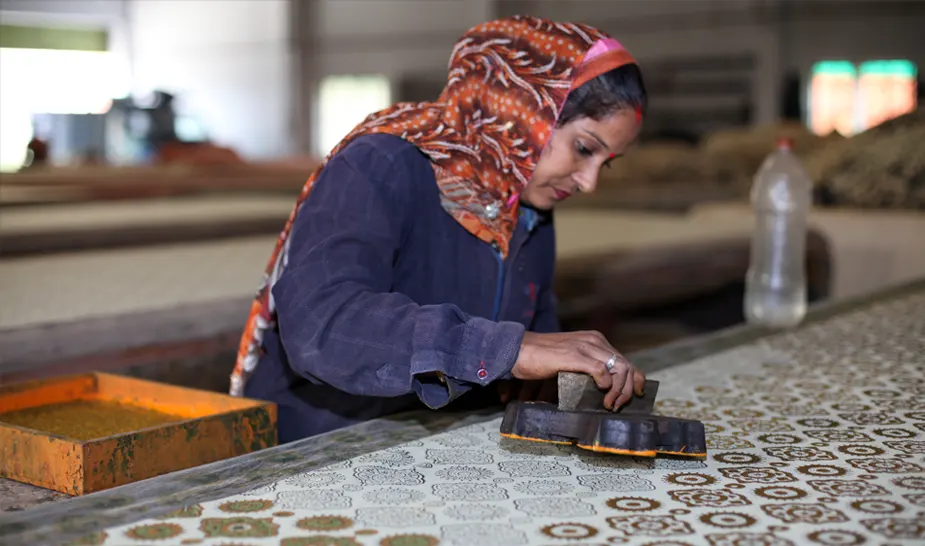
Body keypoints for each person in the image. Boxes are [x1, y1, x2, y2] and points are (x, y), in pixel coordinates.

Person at [231, 15, 649, 443]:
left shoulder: (524, 210)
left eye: (605, 163)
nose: (589, 182)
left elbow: (534, 343)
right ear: (523, 109)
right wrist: (509, 350)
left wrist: (564, 375)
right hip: (319, 443)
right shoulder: (381, 164)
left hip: (431, 440)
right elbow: (324, 323)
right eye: (583, 148)